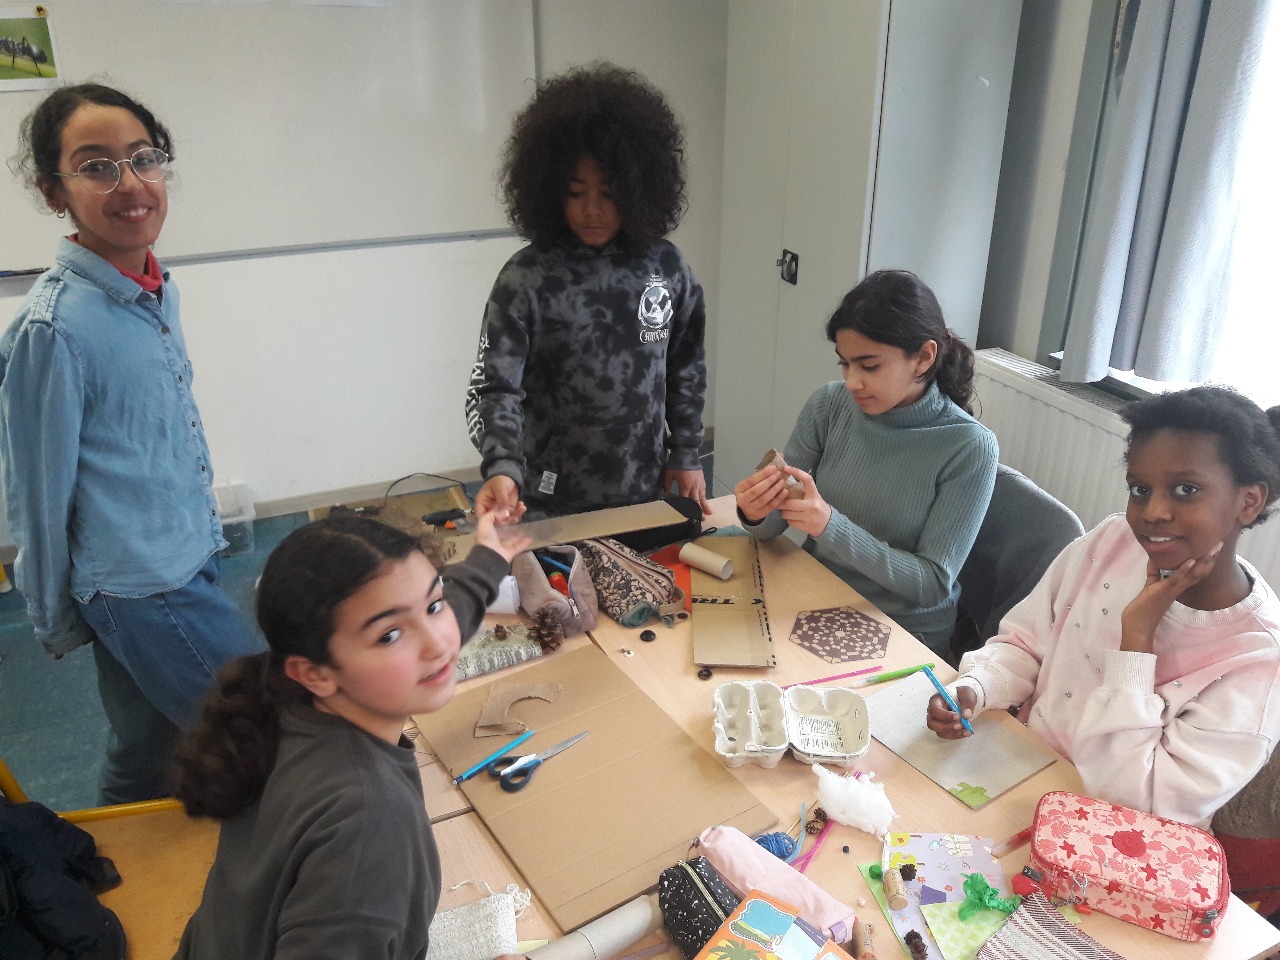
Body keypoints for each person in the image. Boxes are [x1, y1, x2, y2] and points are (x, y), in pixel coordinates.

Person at [0, 84, 261, 803]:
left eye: (143, 159)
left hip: (186, 548)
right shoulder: (54, 329)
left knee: (146, 746)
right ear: (54, 191)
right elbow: (37, 491)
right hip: (144, 584)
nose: (130, 183)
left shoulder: (154, 288)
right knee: (263, 731)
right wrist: (52, 615)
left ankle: (111, 857)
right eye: (97, 166)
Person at [172, 510, 530, 959]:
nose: (439, 642)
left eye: (433, 605)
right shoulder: (370, 821)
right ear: (315, 673)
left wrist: (489, 557)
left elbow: (441, 613)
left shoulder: (279, 702)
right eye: (390, 636)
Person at [928, 386, 1280, 829]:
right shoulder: (1111, 543)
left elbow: (1141, 806)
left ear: (1249, 501)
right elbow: (1025, 643)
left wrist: (1137, 642)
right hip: (1019, 773)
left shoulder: (1258, 656)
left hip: (1114, 840)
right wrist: (978, 687)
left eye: (1185, 490)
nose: (1153, 511)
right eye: (1140, 489)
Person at [464, 62, 708, 519]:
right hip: (548, 499)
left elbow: (685, 368)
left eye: (609, 193)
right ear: (551, 189)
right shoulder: (526, 278)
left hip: (644, 487)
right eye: (576, 192)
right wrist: (502, 467)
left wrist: (687, 451)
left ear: (638, 189)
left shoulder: (666, 268)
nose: (592, 210)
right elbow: (495, 389)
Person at [734, 269, 998, 655]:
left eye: (869, 366)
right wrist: (755, 511)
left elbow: (932, 584)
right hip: (819, 592)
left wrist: (829, 525)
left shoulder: (969, 447)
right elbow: (771, 528)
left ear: (924, 357)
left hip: (903, 629)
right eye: (844, 364)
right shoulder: (828, 405)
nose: (852, 382)